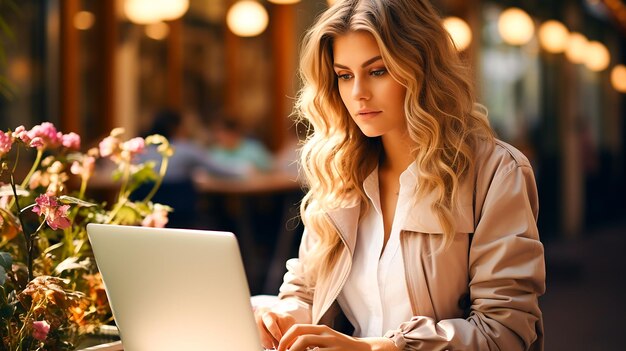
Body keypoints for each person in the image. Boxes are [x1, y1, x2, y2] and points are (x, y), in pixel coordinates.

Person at [253, 1, 545, 351]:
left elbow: (505, 333)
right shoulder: (340, 172)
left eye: (377, 71)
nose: (358, 92)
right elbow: (305, 290)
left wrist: (382, 348)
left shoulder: (496, 172)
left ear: (420, 68)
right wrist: (285, 315)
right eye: (344, 75)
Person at [136, 109, 249, 228]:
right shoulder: (186, 149)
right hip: (183, 213)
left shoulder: (142, 151)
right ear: (176, 128)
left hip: (145, 214)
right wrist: (243, 170)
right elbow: (218, 169)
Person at [208, 117, 274, 173]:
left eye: (222, 133)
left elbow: (271, 169)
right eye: (217, 133)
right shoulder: (214, 152)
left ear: (234, 132)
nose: (218, 136)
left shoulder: (253, 149)